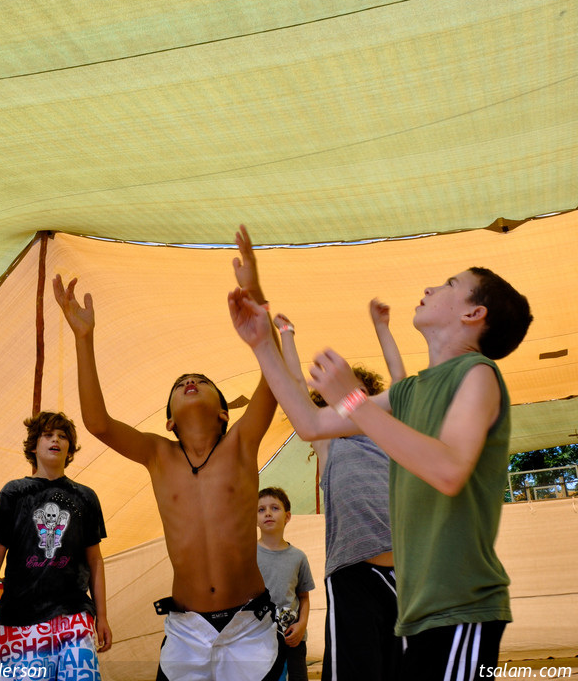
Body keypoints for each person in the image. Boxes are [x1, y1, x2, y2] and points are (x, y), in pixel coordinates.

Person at [228, 267, 533, 681]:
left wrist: (353, 400)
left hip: (460, 605)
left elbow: (448, 470)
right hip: (417, 608)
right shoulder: (409, 392)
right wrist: (263, 343)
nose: (430, 286)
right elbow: (311, 423)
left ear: (473, 313)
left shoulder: (477, 373)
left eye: (450, 284)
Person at [53, 226, 286, 681]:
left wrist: (257, 297)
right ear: (169, 422)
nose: (189, 381)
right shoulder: (158, 454)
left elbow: (274, 377)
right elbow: (98, 423)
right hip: (186, 630)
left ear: (224, 412)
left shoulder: (241, 442)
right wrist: (84, 337)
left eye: (201, 381)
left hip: (250, 624)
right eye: (179, 385)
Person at [273, 304, 405, 681]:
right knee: (355, 668)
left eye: (356, 392)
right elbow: (296, 387)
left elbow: (401, 383)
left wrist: (382, 327)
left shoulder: (388, 434)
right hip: (351, 572)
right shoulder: (329, 441)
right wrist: (287, 335)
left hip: (407, 571)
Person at [0, 411, 112, 681]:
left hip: (75, 616)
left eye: (63, 436)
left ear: (70, 449)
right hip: (20, 620)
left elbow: (95, 559)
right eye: (48, 435)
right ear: (33, 446)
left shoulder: (86, 498)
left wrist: (102, 616)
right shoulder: (14, 493)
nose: (55, 440)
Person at [257, 486, 315, 681]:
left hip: (292, 639)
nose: (268, 513)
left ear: (287, 516)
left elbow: (304, 597)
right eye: (261, 509)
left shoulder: (298, 557)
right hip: (257, 640)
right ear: (255, 519)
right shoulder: (247, 556)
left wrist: (302, 624)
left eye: (274, 508)